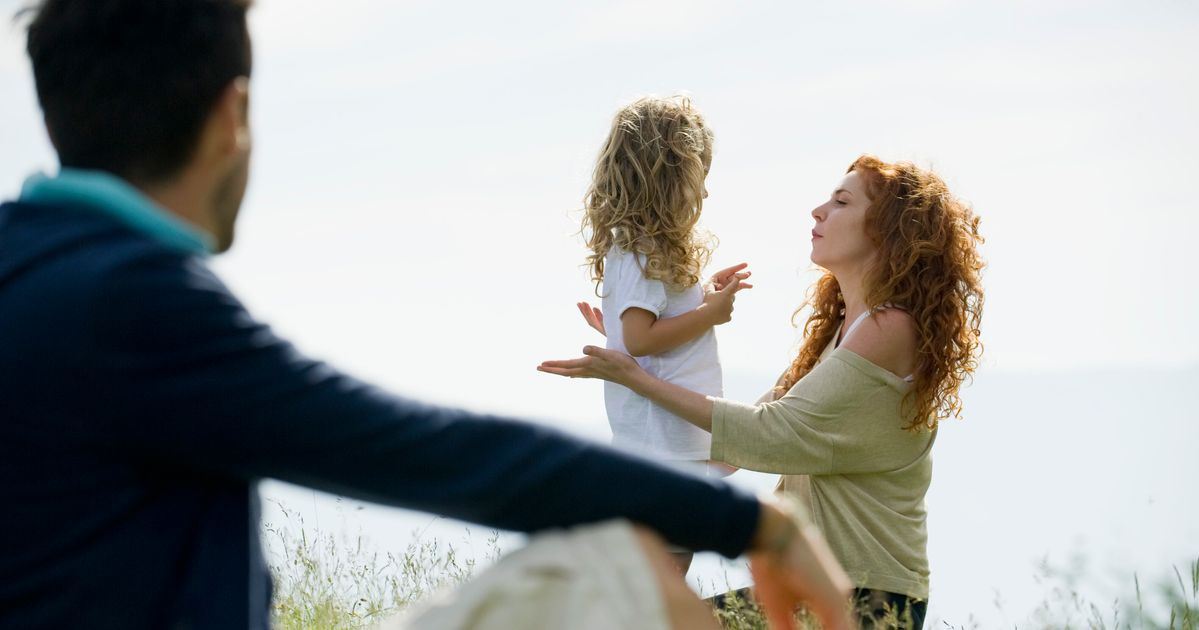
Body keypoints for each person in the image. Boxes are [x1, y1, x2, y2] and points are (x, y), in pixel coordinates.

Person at [0, 1, 855, 629]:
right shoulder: (133, 304)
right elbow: (434, 454)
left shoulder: (33, 266)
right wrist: (750, 524)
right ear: (234, 117)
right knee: (611, 582)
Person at [542, 155, 986, 628]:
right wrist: (644, 351)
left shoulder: (889, 328)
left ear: (888, 229)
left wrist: (636, 377)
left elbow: (767, 436)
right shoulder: (839, 336)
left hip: (869, 601)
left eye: (840, 202)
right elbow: (729, 452)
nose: (818, 211)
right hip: (815, 590)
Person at [576, 95, 751, 573]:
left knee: (658, 581)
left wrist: (700, 301)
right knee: (659, 584)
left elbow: (639, 328)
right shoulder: (639, 247)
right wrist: (710, 314)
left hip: (669, 441)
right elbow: (641, 339)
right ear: (671, 175)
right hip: (663, 445)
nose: (704, 195)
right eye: (700, 179)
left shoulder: (642, 247)